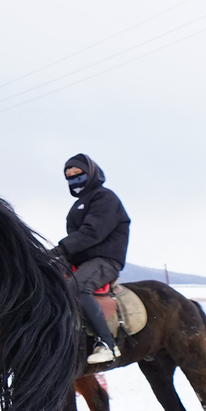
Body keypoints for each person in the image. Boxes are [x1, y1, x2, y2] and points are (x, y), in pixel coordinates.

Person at [55, 154, 130, 365]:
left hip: (105, 259)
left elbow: (92, 233)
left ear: (91, 174)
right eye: (69, 177)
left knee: (77, 287)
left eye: (78, 175)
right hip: (80, 260)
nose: (73, 180)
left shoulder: (105, 198)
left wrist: (61, 249)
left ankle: (107, 343)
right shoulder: (78, 205)